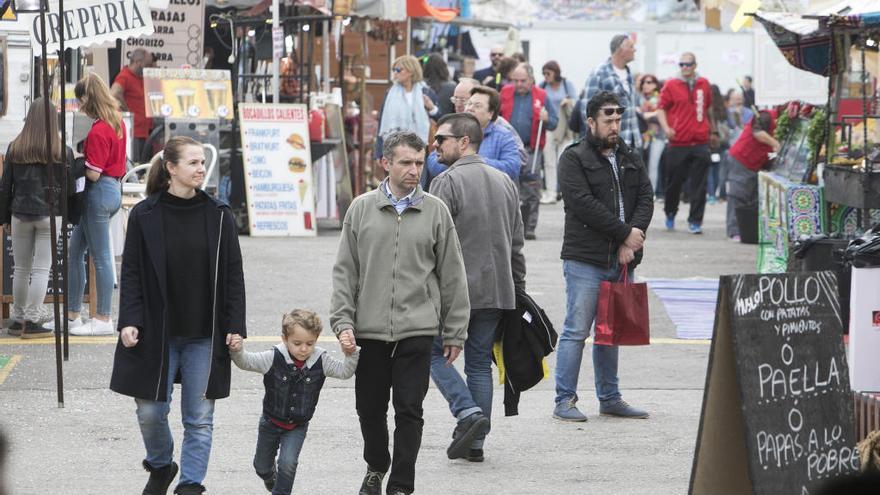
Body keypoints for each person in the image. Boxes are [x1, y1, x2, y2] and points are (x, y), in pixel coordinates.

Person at [330, 131, 470, 495]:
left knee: (410, 410)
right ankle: (377, 465)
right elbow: (346, 271)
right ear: (386, 163)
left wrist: (455, 331)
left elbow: (452, 274)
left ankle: (402, 484)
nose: (413, 170)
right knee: (370, 410)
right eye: (405, 162)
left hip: (417, 329)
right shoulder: (361, 209)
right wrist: (343, 321)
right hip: (370, 331)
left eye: (419, 163)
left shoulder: (435, 211)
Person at [110, 136, 246, 495]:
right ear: (171, 168)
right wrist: (129, 320)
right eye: (193, 163)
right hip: (158, 330)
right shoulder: (144, 214)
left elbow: (233, 275)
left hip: (204, 333)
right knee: (151, 411)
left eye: (203, 162)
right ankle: (161, 464)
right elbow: (133, 272)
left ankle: (190, 485)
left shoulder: (219, 215)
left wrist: (235, 326)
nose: (201, 168)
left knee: (199, 419)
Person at [428, 113, 526, 463]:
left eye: (442, 139)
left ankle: (467, 411)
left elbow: (432, 244)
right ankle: (476, 444)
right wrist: (518, 288)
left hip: (457, 292)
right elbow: (516, 244)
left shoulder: (446, 182)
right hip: (497, 290)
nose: (435, 145)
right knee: (479, 362)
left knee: (429, 349)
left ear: (463, 141)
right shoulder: (505, 182)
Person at [554, 90, 654, 422]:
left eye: (618, 119)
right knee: (576, 330)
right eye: (607, 119)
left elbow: (645, 197)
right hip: (586, 260)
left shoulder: (629, 154)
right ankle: (564, 399)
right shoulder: (574, 158)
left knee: (611, 332)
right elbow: (584, 205)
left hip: (622, 259)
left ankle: (610, 397)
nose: (614, 125)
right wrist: (623, 234)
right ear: (591, 121)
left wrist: (633, 237)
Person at [227, 309, 359, 495]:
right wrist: (237, 350)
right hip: (270, 422)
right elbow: (246, 362)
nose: (304, 349)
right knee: (261, 466)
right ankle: (269, 476)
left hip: (297, 426)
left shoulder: (320, 360)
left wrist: (351, 354)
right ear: (284, 339)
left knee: (288, 464)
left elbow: (344, 372)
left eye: (310, 343)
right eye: (297, 343)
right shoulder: (273, 357)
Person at [50, 73, 126, 336]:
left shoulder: (98, 130)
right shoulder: (117, 123)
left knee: (101, 257)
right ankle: (72, 315)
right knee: (75, 252)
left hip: (98, 191)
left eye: (80, 99)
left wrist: (78, 160)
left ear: (87, 98)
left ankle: (103, 317)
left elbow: (93, 173)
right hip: (113, 188)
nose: (79, 105)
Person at [0, 98, 74, 339]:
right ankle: (32, 321)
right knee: (42, 269)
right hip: (50, 216)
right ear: (53, 119)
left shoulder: (15, 147)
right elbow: (70, 189)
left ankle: (17, 319)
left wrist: (4, 218)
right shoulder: (62, 150)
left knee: (21, 268)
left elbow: (5, 187)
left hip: (19, 213)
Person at [656, 52, 713, 234]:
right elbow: (661, 108)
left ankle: (695, 221)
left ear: (695, 65)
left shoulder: (704, 84)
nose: (684, 68)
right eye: (681, 65)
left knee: (699, 184)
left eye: (688, 64)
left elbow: (707, 107)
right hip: (678, 141)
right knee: (674, 183)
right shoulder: (671, 84)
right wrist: (666, 128)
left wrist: (709, 130)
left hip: (700, 141)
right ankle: (670, 213)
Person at [500, 63, 558, 240]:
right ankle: (511, 225)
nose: (518, 84)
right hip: (509, 147)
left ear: (531, 79)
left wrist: (547, 119)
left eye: (522, 80)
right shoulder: (505, 93)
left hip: (531, 147)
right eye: (515, 80)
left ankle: (529, 227)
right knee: (510, 185)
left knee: (531, 187)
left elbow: (554, 122)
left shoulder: (542, 95)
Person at [424, 86, 521, 185]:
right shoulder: (452, 129)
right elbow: (433, 164)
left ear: (490, 113)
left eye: (477, 106)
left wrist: (474, 162)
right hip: (454, 189)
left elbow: (512, 168)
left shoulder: (503, 135)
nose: (470, 108)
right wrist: (456, 160)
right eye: (469, 104)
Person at [726, 109, 780, 239]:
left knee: (752, 198)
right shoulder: (766, 115)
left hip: (756, 162)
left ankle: (748, 230)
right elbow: (758, 133)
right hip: (742, 157)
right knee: (738, 194)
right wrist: (776, 144)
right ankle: (734, 230)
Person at [583, 34, 643, 152]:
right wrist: (598, 143)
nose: (634, 50)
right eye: (631, 47)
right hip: (609, 144)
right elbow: (586, 109)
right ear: (621, 50)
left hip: (633, 142)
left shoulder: (629, 73)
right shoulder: (599, 73)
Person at [375, 55, 439, 160]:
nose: (395, 72)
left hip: (419, 149)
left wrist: (431, 108)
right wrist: (379, 153)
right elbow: (383, 122)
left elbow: (439, 118)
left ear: (411, 71)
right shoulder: (390, 94)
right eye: (394, 70)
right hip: (395, 149)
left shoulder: (426, 92)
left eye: (399, 69)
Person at [539, 61, 578, 204]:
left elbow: (576, 102)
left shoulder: (567, 85)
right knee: (549, 162)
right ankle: (551, 192)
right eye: (544, 73)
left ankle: (564, 192)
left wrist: (568, 101)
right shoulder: (543, 86)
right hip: (549, 127)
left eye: (548, 73)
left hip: (565, 128)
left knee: (563, 161)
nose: (546, 76)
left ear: (555, 72)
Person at [111, 48, 155, 163]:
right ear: (138, 62)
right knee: (135, 165)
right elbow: (114, 93)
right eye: (148, 64)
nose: (149, 67)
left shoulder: (139, 77)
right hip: (133, 131)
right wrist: (127, 112)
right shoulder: (125, 76)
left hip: (143, 130)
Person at [637, 74, 665, 198]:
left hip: (658, 136)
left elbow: (662, 116)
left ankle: (651, 193)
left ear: (655, 84)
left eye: (649, 82)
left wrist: (644, 114)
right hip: (642, 136)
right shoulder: (639, 99)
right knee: (641, 165)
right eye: (644, 82)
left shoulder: (660, 98)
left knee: (653, 165)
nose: (646, 85)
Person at [707, 84, 731, 204]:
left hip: (710, 142)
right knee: (719, 169)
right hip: (722, 143)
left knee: (709, 169)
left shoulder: (707, 109)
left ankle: (711, 194)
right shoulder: (723, 109)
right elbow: (730, 125)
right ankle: (717, 193)